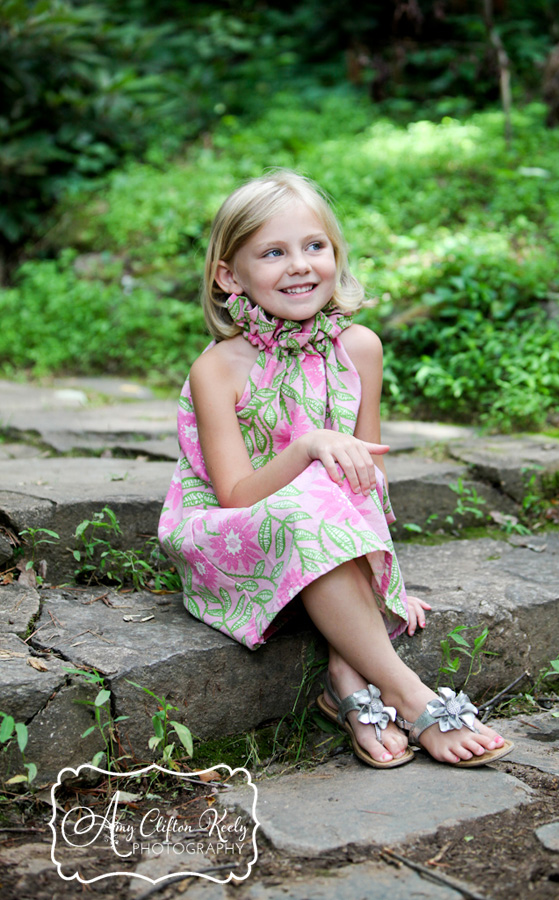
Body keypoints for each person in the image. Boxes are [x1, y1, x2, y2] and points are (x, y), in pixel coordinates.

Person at [159, 170, 513, 769]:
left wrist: (382, 574)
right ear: (228, 274)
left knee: (329, 491)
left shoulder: (361, 349)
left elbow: (363, 482)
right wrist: (307, 447)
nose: (299, 265)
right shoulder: (217, 368)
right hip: (235, 538)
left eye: (313, 246)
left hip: (328, 534)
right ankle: (405, 690)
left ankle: (349, 673)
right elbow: (238, 495)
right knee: (307, 497)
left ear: (335, 254)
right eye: (273, 252)